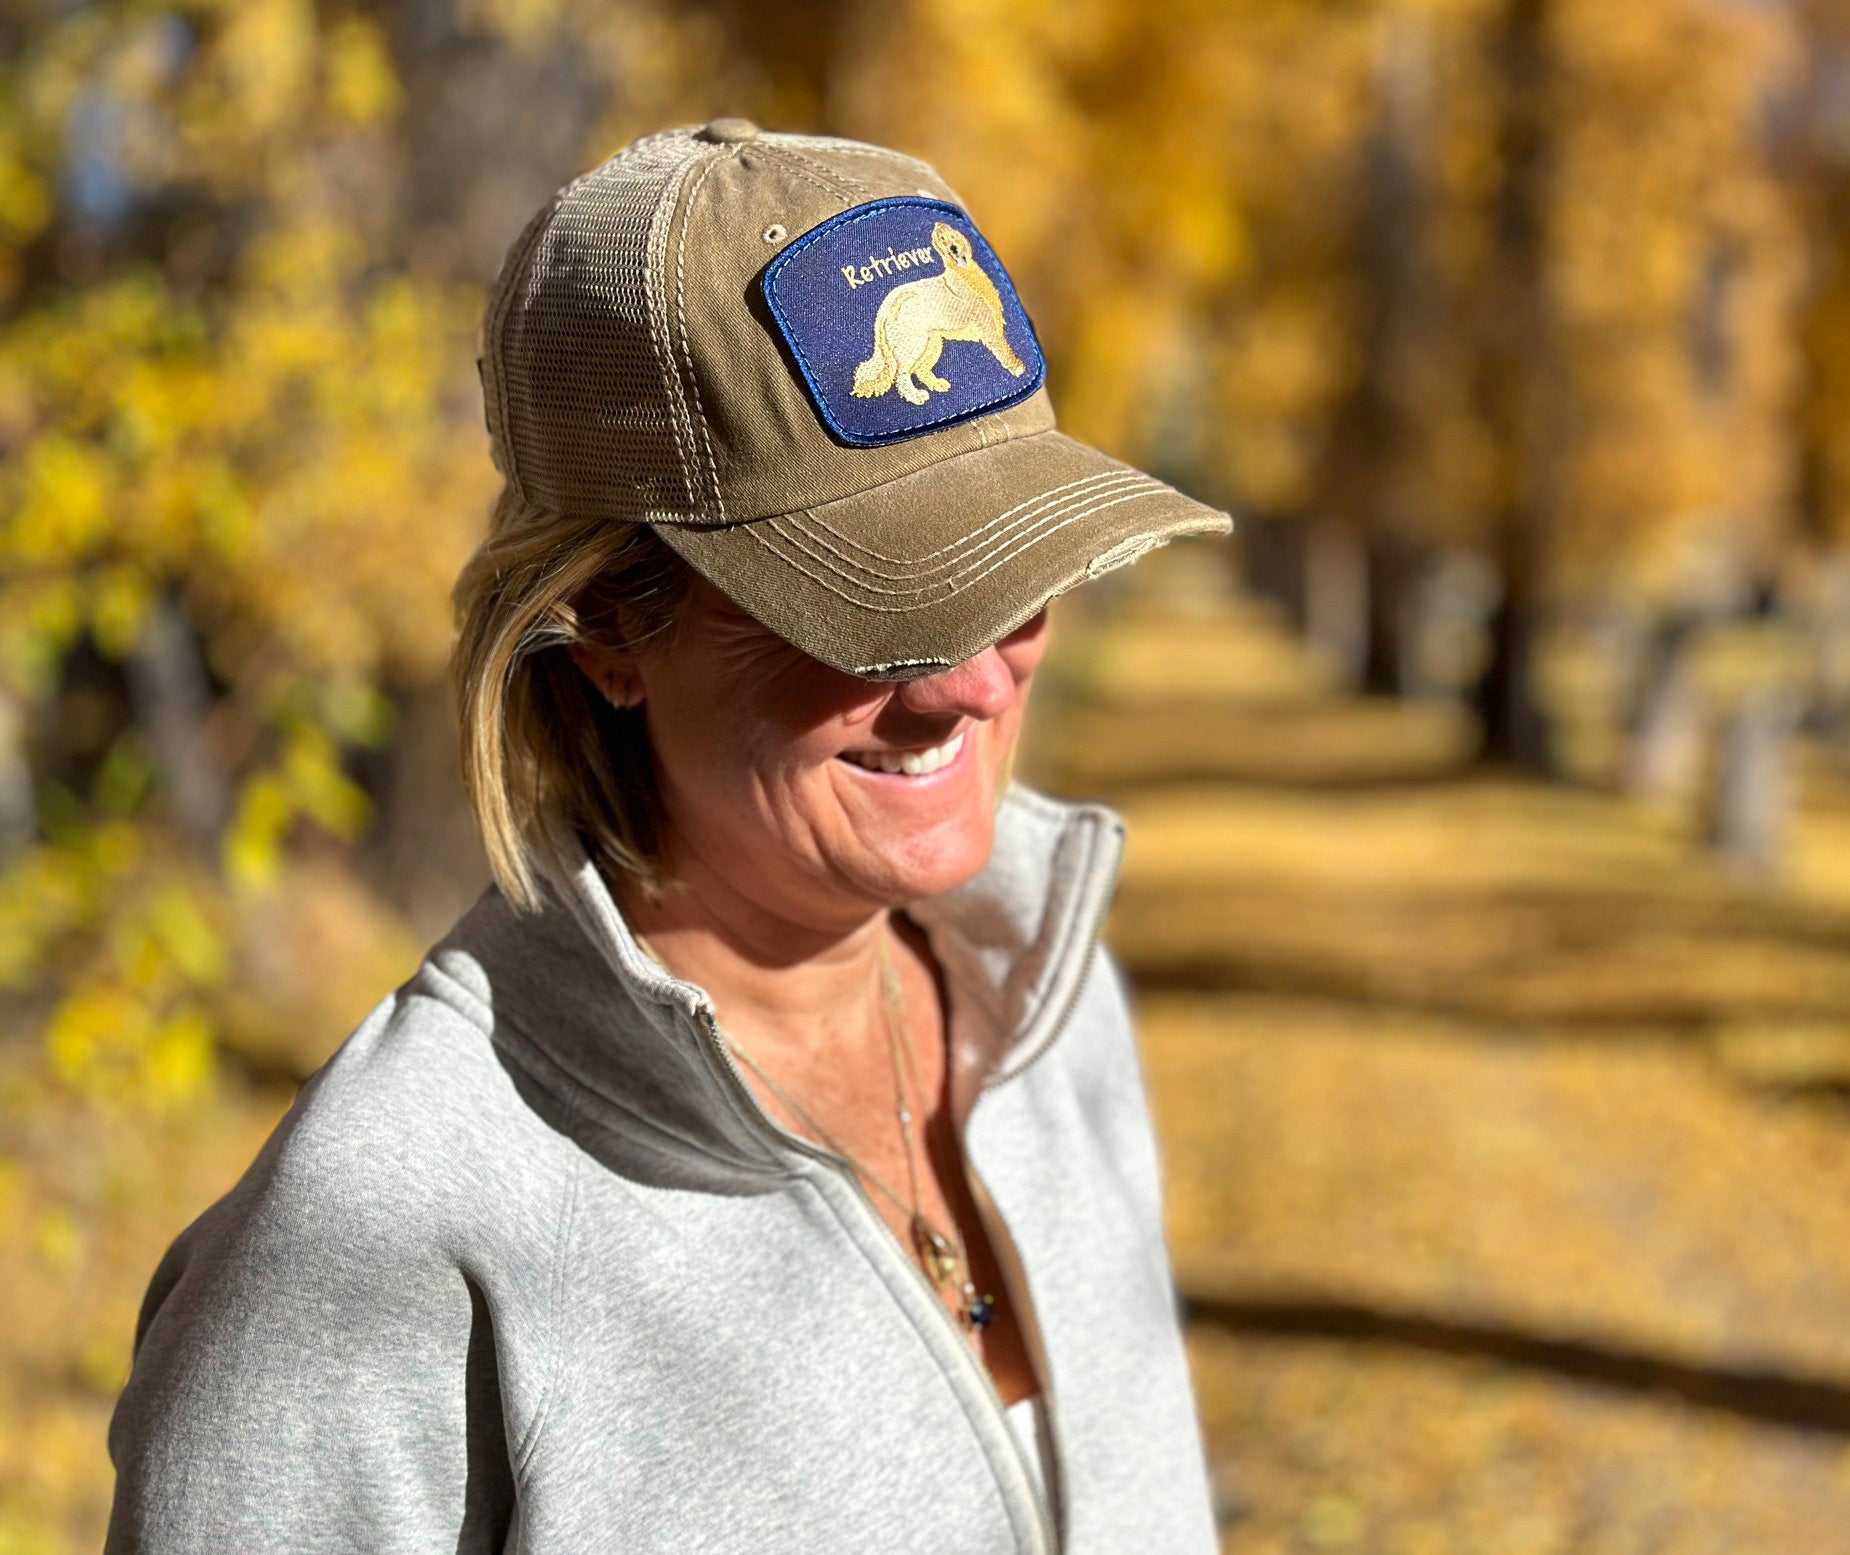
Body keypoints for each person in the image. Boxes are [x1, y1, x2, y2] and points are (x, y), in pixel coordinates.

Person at [103, 119, 1232, 1555]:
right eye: (879, 609)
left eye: (1016, 568)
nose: (970, 682)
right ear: (602, 630)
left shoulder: (1052, 1019)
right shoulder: (381, 1247)